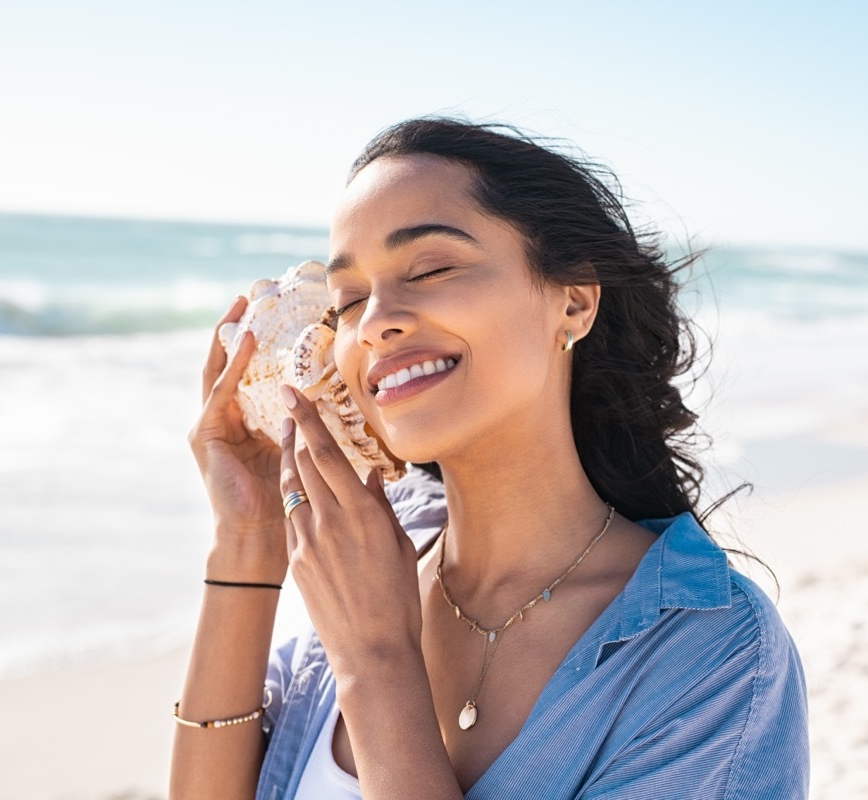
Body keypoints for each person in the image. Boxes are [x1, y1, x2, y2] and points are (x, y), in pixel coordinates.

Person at [170, 119, 809, 799]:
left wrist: (378, 663)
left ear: (573, 301)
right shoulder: (380, 555)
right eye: (348, 301)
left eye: (431, 268)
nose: (377, 319)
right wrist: (248, 541)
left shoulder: (713, 659)